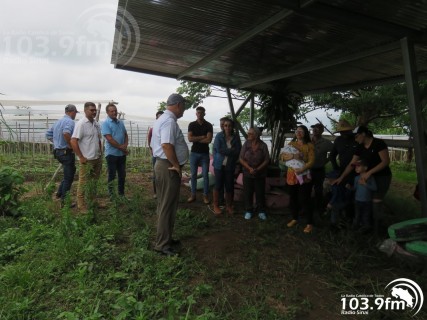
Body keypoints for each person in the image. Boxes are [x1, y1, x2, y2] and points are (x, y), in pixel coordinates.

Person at [334, 126, 392, 235]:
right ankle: (367, 226)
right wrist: (341, 177)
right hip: (367, 177)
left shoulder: (378, 143)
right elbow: (352, 164)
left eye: (356, 136)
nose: (355, 139)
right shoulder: (359, 147)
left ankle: (377, 230)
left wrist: (369, 172)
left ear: (364, 134)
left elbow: (385, 162)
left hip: (381, 177)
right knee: (367, 201)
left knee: (376, 202)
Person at [151, 93, 189, 256]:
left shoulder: (163, 119)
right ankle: (162, 244)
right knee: (167, 205)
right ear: (179, 104)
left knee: (165, 204)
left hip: (163, 165)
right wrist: (176, 165)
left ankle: (165, 237)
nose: (184, 110)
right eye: (184, 106)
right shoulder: (168, 121)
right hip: (168, 167)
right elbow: (166, 145)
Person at [281, 125, 315, 233]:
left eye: (301, 131)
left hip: (303, 175)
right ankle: (295, 218)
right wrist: (293, 157)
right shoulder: (291, 144)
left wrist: (302, 168)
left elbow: (311, 161)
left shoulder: (309, 145)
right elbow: (282, 157)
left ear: (305, 133)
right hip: (291, 175)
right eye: (297, 131)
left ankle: (309, 223)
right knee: (293, 198)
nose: (299, 133)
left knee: (304, 199)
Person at [70, 102, 103, 212]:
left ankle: (93, 201)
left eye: (95, 110)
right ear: (85, 111)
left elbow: (98, 139)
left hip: (97, 158)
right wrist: (81, 156)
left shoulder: (96, 124)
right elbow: (73, 141)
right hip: (87, 159)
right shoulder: (81, 124)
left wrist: (100, 153)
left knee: (94, 181)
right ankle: (81, 204)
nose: (94, 112)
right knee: (83, 182)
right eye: (91, 110)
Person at [45, 104, 79, 207]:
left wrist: (56, 143)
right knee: (69, 177)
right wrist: (71, 145)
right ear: (72, 112)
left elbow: (48, 134)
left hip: (58, 152)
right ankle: (65, 202)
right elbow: (66, 133)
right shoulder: (69, 121)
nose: (75, 115)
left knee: (69, 172)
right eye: (75, 113)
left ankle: (59, 193)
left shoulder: (57, 122)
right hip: (66, 152)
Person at [211, 118, 241, 215]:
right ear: (223, 126)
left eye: (229, 125)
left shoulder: (236, 137)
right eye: (225, 125)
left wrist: (230, 151)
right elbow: (218, 149)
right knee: (218, 185)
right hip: (219, 164)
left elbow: (238, 151)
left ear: (232, 127)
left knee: (229, 186)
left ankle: (228, 205)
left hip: (230, 165)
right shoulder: (219, 136)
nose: (227, 127)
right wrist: (231, 151)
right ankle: (215, 205)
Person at [239, 127, 270, 220]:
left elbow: (266, 159)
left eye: (250, 134)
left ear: (256, 135)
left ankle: (261, 210)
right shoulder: (246, 144)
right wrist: (249, 168)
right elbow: (241, 158)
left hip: (260, 173)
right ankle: (249, 210)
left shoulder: (263, 145)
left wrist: (257, 169)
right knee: (248, 192)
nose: (248, 135)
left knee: (260, 192)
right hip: (247, 172)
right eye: (248, 133)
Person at [101, 103, 129, 199]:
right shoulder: (105, 123)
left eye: (115, 110)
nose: (114, 112)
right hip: (111, 154)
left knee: (122, 175)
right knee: (112, 175)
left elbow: (125, 135)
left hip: (121, 154)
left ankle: (121, 194)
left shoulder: (120, 122)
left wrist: (125, 145)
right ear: (107, 112)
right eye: (112, 111)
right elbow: (109, 139)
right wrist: (122, 148)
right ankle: (112, 196)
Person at [187, 106, 213, 205]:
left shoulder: (208, 125)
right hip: (194, 153)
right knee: (193, 175)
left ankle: (205, 195)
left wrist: (196, 138)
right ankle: (193, 194)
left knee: (205, 175)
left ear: (204, 114)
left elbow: (209, 140)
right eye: (198, 113)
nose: (200, 114)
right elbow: (190, 139)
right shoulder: (192, 124)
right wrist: (202, 137)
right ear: (196, 114)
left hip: (205, 154)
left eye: (201, 113)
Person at [346, 158, 377, 232]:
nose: (356, 168)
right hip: (357, 200)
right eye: (355, 167)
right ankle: (354, 229)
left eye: (358, 166)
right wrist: (350, 188)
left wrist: (365, 184)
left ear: (365, 168)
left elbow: (375, 188)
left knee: (365, 216)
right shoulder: (356, 178)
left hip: (367, 201)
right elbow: (355, 188)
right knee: (357, 215)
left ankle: (366, 229)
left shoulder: (370, 177)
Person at [310, 123, 333, 215]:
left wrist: (326, 160)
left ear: (322, 131)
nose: (315, 130)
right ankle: (307, 208)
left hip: (319, 169)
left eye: (318, 128)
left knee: (318, 190)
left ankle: (319, 209)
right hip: (307, 170)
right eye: (314, 128)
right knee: (305, 189)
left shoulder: (326, 142)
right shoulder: (307, 141)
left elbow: (334, 152)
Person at [147, 111, 164, 198]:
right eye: (158, 117)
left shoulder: (165, 128)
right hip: (156, 155)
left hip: (164, 156)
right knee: (155, 173)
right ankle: (155, 192)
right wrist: (152, 150)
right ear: (156, 118)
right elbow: (149, 141)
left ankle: (162, 192)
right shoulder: (152, 129)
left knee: (164, 174)